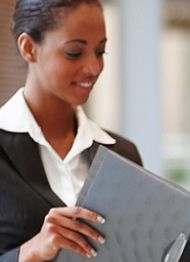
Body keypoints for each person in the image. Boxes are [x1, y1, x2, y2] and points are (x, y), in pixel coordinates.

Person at [0, 0, 143, 261]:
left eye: (100, 52)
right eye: (74, 53)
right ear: (29, 48)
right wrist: (30, 251)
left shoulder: (124, 154)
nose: (93, 68)